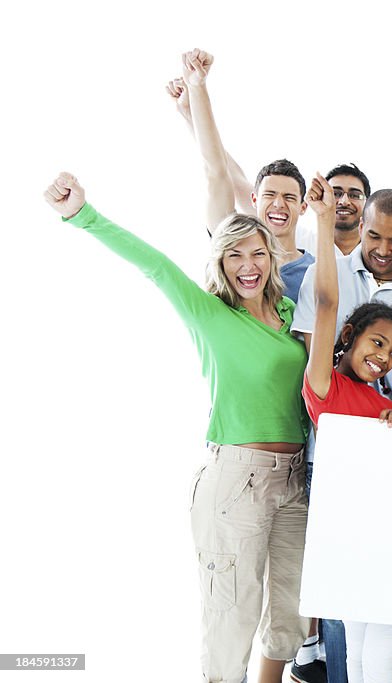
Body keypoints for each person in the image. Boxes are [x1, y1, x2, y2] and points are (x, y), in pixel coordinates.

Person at [43, 173, 310, 683]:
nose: (248, 266)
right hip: (238, 482)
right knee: (231, 616)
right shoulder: (207, 313)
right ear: (221, 264)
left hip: (294, 481)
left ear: (271, 259)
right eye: (234, 256)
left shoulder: (288, 313)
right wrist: (83, 214)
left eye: (256, 254)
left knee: (291, 612)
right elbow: (156, 266)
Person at [301, 173, 392, 683]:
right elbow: (325, 303)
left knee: (383, 654)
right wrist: (324, 224)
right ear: (349, 336)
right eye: (376, 343)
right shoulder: (324, 387)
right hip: (346, 533)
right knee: (359, 652)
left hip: (389, 532)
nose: (384, 358)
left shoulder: (380, 402)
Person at [176, 48, 314, 303]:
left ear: (303, 206)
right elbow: (217, 171)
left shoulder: (315, 270)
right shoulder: (234, 242)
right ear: (254, 199)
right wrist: (197, 90)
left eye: (289, 198)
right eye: (270, 195)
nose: (278, 204)